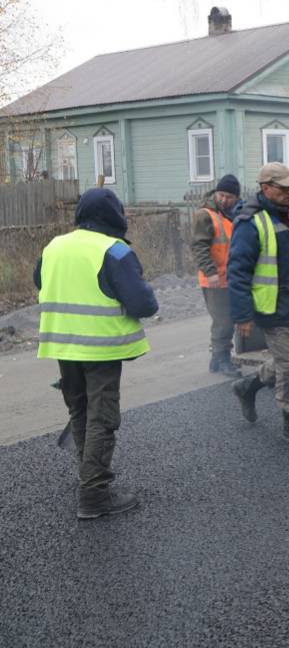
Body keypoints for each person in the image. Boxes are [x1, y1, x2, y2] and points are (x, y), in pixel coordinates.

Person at [34, 188, 159, 519]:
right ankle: (94, 495)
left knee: (80, 412)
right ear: (115, 218)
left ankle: (87, 476)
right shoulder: (114, 251)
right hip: (100, 348)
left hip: (63, 346)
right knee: (102, 417)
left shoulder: (53, 247)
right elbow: (143, 303)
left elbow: (40, 280)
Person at [226, 163, 289, 445]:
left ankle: (247, 386)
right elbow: (237, 272)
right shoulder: (251, 223)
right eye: (283, 188)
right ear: (265, 188)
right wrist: (242, 315)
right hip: (271, 307)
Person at [191, 174, 241, 375]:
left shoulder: (233, 214)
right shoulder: (206, 215)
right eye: (221, 195)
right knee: (224, 322)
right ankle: (223, 360)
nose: (224, 199)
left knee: (226, 320)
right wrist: (210, 272)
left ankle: (216, 360)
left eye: (229, 196)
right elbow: (199, 247)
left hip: (230, 278)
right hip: (214, 278)